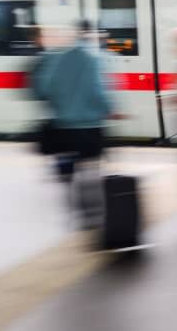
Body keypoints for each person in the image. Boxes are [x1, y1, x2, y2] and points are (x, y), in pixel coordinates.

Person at [33, 19, 120, 229]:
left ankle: (74, 214)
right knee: (90, 171)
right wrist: (111, 110)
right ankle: (93, 216)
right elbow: (99, 90)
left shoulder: (57, 57)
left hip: (63, 126)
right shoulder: (95, 58)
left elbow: (43, 89)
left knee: (69, 173)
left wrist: (61, 106)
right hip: (90, 127)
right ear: (92, 34)